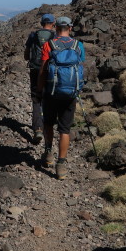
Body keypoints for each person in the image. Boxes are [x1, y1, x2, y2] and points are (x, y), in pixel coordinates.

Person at [37, 16, 85, 180]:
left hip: (51, 92)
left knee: (48, 123)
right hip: (70, 93)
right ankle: (61, 165)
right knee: (65, 129)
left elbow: (43, 70)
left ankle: (49, 153)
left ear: (56, 28)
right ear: (70, 28)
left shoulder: (48, 45)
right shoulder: (78, 45)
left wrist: (39, 89)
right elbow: (80, 67)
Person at [24, 13, 56, 144]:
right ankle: (49, 126)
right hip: (49, 70)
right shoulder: (55, 36)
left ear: (42, 23)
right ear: (53, 23)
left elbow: (27, 53)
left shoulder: (33, 35)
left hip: (35, 69)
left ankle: (38, 128)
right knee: (48, 97)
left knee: (36, 97)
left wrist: (29, 59)